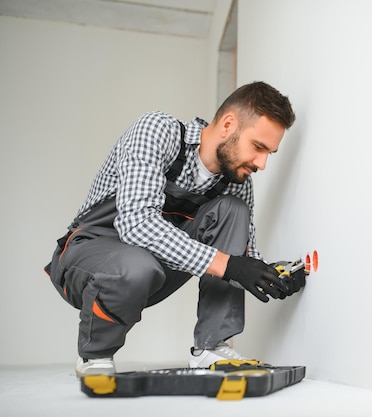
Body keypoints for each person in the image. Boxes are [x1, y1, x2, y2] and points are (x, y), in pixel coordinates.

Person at [44, 81, 306, 377]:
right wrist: (230, 264)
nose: (262, 163)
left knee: (232, 209)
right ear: (229, 124)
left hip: (151, 270)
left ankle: (211, 348)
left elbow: (239, 263)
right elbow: (136, 224)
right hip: (86, 258)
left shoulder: (237, 182)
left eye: (269, 153)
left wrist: (272, 275)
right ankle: (96, 356)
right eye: (258, 147)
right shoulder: (158, 131)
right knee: (136, 264)